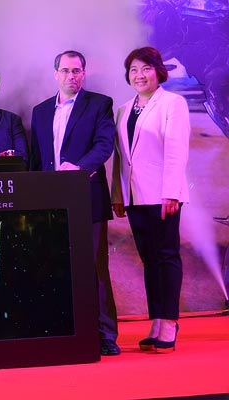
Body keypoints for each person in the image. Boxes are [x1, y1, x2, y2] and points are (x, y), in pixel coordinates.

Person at [30, 50, 120, 356]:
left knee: (95, 268)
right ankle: (61, 330)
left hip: (88, 196)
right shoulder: (40, 111)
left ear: (84, 73)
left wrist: (79, 169)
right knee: (55, 266)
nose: (72, 76)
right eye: (66, 71)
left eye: (77, 71)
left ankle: (105, 334)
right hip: (51, 202)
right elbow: (36, 159)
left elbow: (104, 146)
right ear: (55, 73)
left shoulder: (99, 104)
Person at [111, 46, 190, 353]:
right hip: (134, 196)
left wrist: (171, 192)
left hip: (162, 194)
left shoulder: (173, 103)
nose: (139, 75)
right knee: (149, 260)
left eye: (145, 68)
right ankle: (156, 320)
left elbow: (176, 150)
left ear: (158, 71)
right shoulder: (123, 109)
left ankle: (169, 321)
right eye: (133, 70)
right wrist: (118, 194)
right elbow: (121, 157)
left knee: (167, 256)